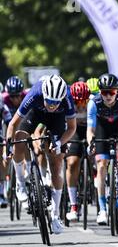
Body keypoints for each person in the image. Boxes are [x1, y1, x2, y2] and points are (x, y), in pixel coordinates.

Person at [6, 75, 76, 234]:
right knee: (19, 138)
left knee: (56, 161)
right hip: (35, 113)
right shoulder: (35, 93)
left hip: (57, 120)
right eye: (50, 101)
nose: (52, 105)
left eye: (56, 102)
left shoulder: (66, 97)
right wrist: (9, 144)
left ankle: (56, 214)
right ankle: (20, 183)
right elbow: (13, 124)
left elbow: (72, 128)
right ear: (44, 95)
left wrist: (59, 142)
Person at [87, 73, 118, 225]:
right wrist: (91, 143)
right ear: (100, 92)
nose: (108, 96)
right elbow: (91, 129)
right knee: (101, 164)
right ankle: (102, 209)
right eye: (104, 92)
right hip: (102, 128)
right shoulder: (94, 103)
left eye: (112, 92)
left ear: (117, 91)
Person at [65, 81, 91, 221]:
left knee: (98, 158)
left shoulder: (93, 103)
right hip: (73, 130)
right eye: (77, 101)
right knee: (72, 162)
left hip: (89, 129)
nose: (81, 105)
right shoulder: (67, 102)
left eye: (84, 101)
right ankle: (73, 204)